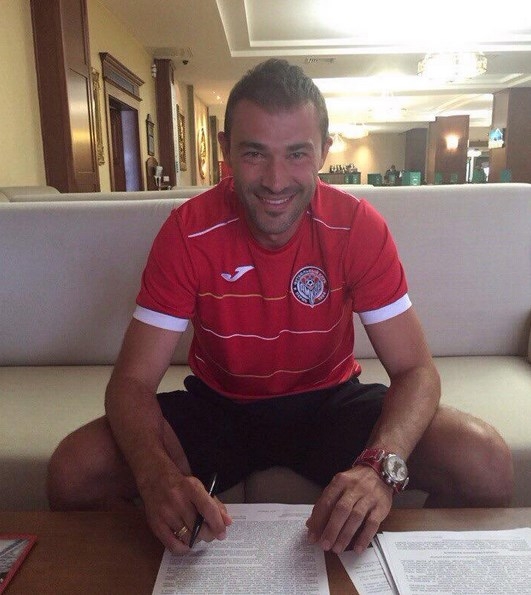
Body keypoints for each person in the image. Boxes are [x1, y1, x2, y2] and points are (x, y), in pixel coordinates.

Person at [47, 59, 513, 557]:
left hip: (328, 403)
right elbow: (131, 383)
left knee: (485, 463)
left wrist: (381, 469)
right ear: (226, 150)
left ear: (323, 152)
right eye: (254, 154)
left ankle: (391, 572)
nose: (275, 180)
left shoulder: (357, 227)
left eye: (296, 154)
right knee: (72, 473)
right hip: (220, 406)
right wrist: (155, 475)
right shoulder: (187, 232)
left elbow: (416, 371)